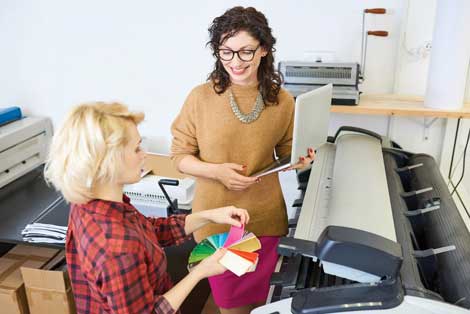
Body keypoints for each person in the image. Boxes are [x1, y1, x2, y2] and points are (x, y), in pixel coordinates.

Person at [170, 6, 314, 313]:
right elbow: (180, 157)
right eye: (226, 52)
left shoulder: (282, 100)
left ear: (263, 50)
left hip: (266, 220)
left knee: (264, 305)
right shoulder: (200, 98)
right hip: (218, 223)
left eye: (245, 52)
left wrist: (301, 160)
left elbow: (288, 153)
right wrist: (216, 171)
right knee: (232, 306)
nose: (235, 62)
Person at [44, 102, 250, 314]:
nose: (144, 154)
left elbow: (148, 231)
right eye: (136, 148)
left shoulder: (89, 204)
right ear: (106, 162)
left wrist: (210, 216)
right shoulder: (116, 249)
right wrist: (200, 272)